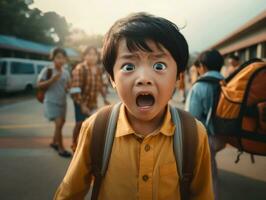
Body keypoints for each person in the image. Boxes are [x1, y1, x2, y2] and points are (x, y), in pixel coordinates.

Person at [54, 12, 213, 199]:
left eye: (159, 66)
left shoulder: (193, 133)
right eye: (129, 67)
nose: (144, 79)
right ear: (112, 78)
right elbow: (68, 193)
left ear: (178, 77)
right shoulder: (96, 128)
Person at [185, 49, 225, 200]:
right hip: (226, 136)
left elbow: (191, 118)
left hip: (209, 138)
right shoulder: (228, 82)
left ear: (202, 66)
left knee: (209, 175)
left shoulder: (199, 86)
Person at [70, 46, 109, 152]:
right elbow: (75, 89)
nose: (92, 57)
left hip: (92, 102)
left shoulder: (98, 69)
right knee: (79, 123)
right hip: (80, 101)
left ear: (97, 57)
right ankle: (74, 143)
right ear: (84, 56)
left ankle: (88, 147)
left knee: (93, 124)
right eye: (89, 54)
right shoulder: (80, 68)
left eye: (94, 54)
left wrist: (105, 98)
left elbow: (100, 85)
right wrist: (82, 105)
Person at [37, 47, 71, 158]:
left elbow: (68, 87)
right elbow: (39, 85)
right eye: (58, 57)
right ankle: (61, 148)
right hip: (51, 101)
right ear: (53, 58)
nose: (61, 60)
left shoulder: (66, 72)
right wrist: (52, 80)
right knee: (59, 124)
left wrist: (68, 88)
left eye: (63, 58)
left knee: (60, 125)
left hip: (62, 102)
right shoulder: (48, 70)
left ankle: (53, 142)